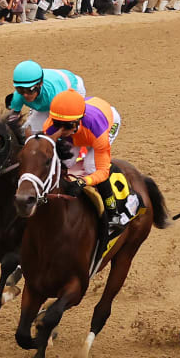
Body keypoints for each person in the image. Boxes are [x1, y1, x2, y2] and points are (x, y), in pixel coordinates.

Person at [45, 88, 126, 244]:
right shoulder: (50, 126)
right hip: (82, 127)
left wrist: (82, 182)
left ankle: (113, 213)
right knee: (66, 162)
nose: (62, 130)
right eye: (58, 124)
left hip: (106, 122)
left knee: (90, 166)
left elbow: (103, 171)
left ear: (78, 120)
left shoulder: (97, 130)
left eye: (67, 126)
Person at [7, 61, 86, 137]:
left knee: (67, 130)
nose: (25, 95)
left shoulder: (54, 96)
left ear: (40, 84)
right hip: (48, 92)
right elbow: (12, 121)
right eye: (20, 89)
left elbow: (58, 124)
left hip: (71, 89)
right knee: (31, 131)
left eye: (30, 90)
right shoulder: (17, 96)